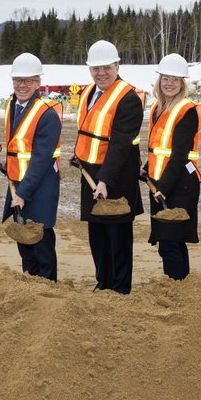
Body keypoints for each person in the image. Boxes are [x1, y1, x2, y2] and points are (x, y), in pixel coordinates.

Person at [72, 39, 143, 293]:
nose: (101, 73)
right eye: (96, 68)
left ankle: (121, 288)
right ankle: (103, 283)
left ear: (117, 66)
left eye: (107, 68)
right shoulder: (89, 93)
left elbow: (121, 144)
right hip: (90, 173)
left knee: (118, 236)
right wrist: (78, 155)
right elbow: (88, 131)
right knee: (97, 235)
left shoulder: (129, 98)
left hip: (116, 177)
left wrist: (105, 180)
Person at [1, 52, 61, 281]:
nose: (22, 85)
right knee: (23, 240)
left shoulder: (47, 113)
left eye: (28, 80)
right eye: (18, 80)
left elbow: (41, 159)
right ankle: (29, 284)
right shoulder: (11, 105)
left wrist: (23, 193)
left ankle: (47, 288)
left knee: (41, 240)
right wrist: (9, 161)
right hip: (17, 183)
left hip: (40, 185)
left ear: (38, 83)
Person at [144, 53, 201, 280]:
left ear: (183, 84)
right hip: (161, 180)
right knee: (169, 241)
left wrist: (163, 187)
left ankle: (177, 285)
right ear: (159, 81)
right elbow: (158, 146)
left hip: (180, 184)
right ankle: (182, 284)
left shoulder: (187, 110)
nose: (170, 83)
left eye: (175, 79)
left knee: (170, 240)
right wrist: (145, 168)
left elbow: (179, 154)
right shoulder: (158, 108)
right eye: (166, 78)